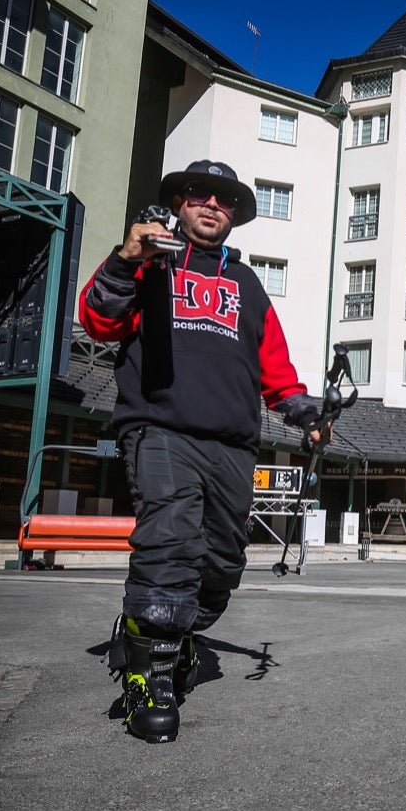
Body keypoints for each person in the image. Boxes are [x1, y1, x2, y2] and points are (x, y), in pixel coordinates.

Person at [79, 159, 327, 744]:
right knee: (170, 540)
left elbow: (278, 372)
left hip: (233, 444)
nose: (211, 205)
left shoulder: (247, 285)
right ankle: (148, 675)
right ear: (179, 203)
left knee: (219, 566)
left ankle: (170, 634)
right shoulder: (147, 263)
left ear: (235, 214)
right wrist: (126, 258)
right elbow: (98, 321)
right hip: (159, 428)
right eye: (198, 195)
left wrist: (307, 414)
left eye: (223, 199)